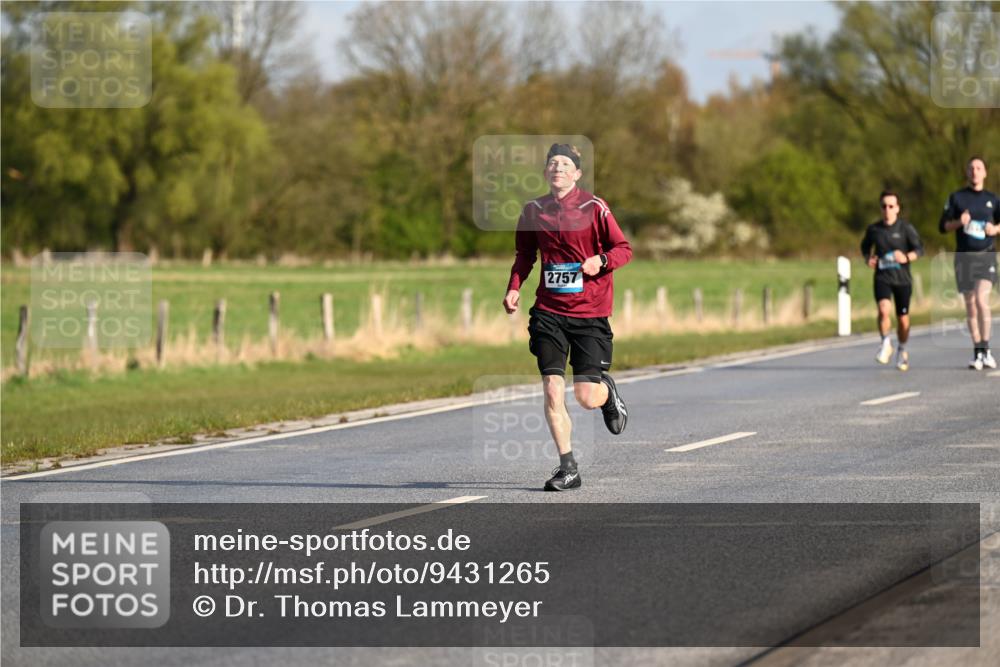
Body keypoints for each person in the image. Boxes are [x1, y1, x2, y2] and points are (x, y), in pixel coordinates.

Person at [503, 143, 632, 491]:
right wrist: (514, 287)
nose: (557, 168)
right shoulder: (533, 210)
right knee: (551, 387)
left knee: (586, 397)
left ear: (576, 174)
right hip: (549, 312)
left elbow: (623, 249)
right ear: (546, 172)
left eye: (565, 164)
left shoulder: (595, 207)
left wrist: (600, 262)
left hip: (590, 312)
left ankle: (607, 391)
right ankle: (568, 467)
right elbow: (524, 254)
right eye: (552, 163)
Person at [939, 156, 1000, 370]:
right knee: (970, 305)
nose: (975, 171)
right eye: (971, 168)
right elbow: (943, 226)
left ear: (985, 173)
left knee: (982, 300)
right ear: (967, 172)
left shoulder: (993, 199)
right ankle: (978, 352)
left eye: (979, 168)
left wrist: (995, 229)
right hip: (964, 258)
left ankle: (987, 348)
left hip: (986, 256)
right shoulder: (957, 198)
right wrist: (959, 222)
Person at [861, 190, 924, 371]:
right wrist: (868, 258)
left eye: (891, 206)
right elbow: (865, 248)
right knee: (883, 310)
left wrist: (906, 257)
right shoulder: (874, 230)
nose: (887, 210)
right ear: (880, 209)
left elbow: (920, 249)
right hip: (883, 277)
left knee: (903, 319)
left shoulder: (905, 229)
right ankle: (885, 343)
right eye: (884, 206)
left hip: (902, 279)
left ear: (897, 208)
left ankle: (902, 350)